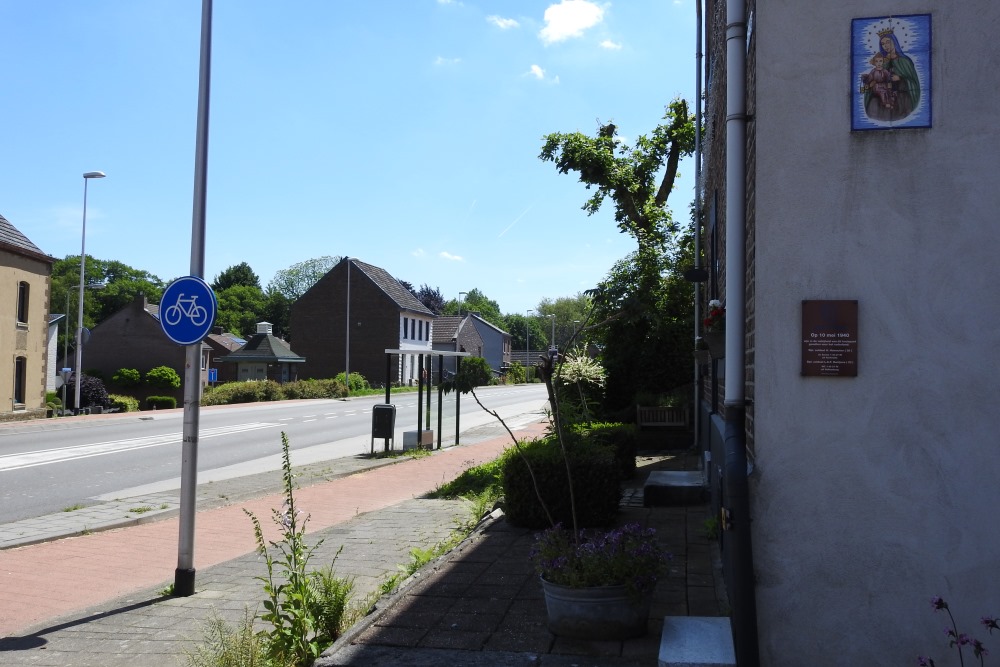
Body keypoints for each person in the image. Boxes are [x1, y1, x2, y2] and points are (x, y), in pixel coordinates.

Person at [862, 28, 920, 122]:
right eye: (883, 44)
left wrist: (900, 78)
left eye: (888, 42)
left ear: (894, 42)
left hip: (901, 96)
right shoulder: (882, 61)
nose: (885, 46)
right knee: (874, 105)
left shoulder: (905, 61)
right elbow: (875, 75)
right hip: (882, 95)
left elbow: (913, 82)